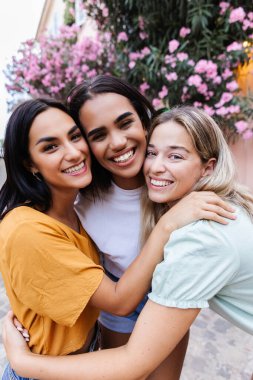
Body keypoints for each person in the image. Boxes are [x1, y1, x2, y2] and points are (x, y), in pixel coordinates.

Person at [3, 106, 253, 380]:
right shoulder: (37, 224)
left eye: (75, 137)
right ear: (28, 162)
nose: (73, 152)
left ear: (209, 167)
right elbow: (115, 303)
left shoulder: (203, 234)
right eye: (50, 147)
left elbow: (133, 361)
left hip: (53, 362)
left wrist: (21, 359)